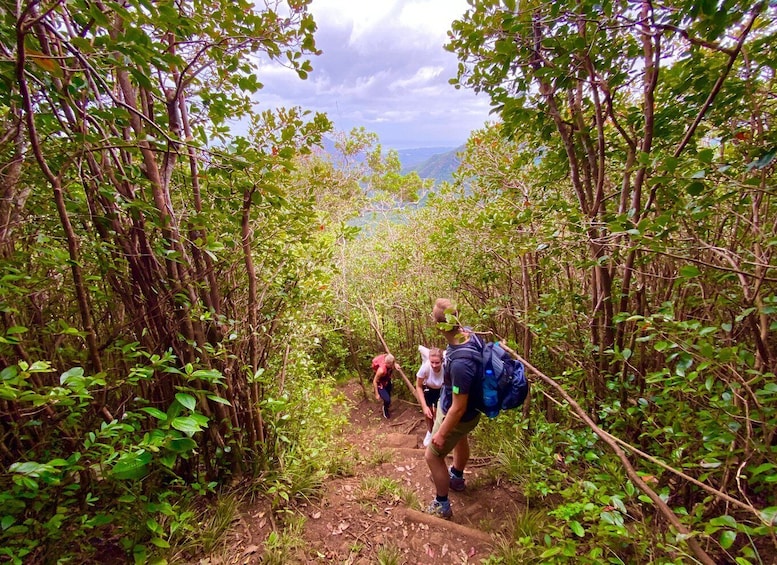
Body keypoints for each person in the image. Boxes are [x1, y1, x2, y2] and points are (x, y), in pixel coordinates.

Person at [424, 298, 483, 520]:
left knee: (432, 456)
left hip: (458, 414)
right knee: (461, 439)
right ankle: (456, 477)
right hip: (469, 412)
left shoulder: (461, 362)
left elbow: (458, 408)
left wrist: (440, 433)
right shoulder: (468, 334)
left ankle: (442, 504)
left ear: (439, 326)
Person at [416, 346, 444, 447]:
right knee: (428, 413)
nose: (434, 365)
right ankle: (430, 431)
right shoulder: (426, 367)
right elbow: (418, 386)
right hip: (428, 388)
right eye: (432, 362)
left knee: (438, 413)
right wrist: (424, 407)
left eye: (437, 362)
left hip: (442, 389)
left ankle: (438, 433)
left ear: (442, 360)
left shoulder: (447, 367)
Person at [372, 353, 396, 419]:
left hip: (387, 382)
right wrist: (376, 394)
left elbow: (394, 365)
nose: (393, 365)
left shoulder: (391, 365)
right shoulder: (381, 370)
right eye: (392, 364)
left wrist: (396, 365)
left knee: (389, 392)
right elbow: (374, 381)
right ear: (388, 364)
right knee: (387, 400)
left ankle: (387, 404)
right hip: (380, 385)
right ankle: (385, 409)